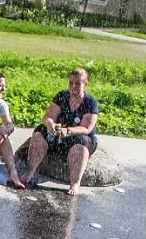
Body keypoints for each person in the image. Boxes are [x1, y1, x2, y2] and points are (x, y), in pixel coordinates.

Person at [22, 67, 99, 196]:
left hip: (78, 137)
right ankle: (29, 172)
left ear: (85, 84)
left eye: (78, 84)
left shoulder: (90, 102)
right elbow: (48, 117)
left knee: (81, 143)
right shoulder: (62, 96)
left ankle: (75, 182)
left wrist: (68, 131)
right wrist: (50, 124)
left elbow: (86, 128)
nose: (73, 87)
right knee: (39, 131)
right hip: (59, 134)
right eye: (71, 83)